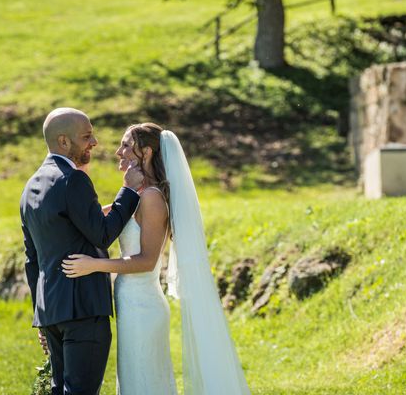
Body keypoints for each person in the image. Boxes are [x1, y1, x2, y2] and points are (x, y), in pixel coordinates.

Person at [61, 122, 251, 395]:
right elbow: (97, 219)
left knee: (143, 383)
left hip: (143, 306)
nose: (118, 151)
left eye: (126, 145)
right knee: (134, 381)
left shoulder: (151, 198)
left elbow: (147, 261)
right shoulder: (136, 195)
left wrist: (94, 266)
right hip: (131, 303)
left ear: (146, 152)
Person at [20, 107, 143, 395]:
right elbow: (102, 234)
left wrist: (40, 314)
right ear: (64, 141)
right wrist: (129, 191)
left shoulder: (31, 187)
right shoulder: (72, 179)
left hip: (51, 311)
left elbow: (32, 259)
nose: (95, 143)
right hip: (82, 308)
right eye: (87, 136)